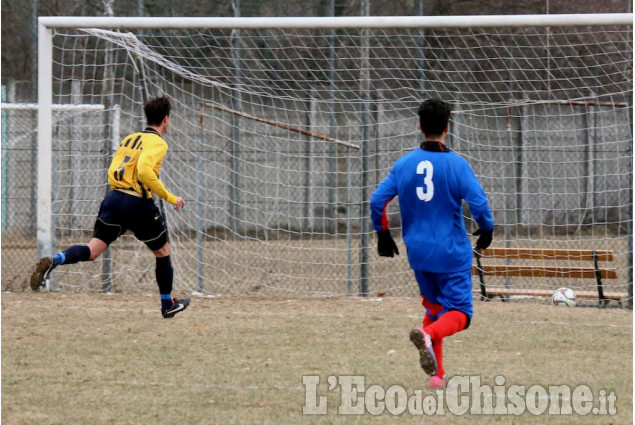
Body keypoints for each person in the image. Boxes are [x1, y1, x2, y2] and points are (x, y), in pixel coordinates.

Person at [30, 95, 191, 319]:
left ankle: (55, 260)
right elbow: (144, 171)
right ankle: (167, 305)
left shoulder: (130, 139)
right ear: (166, 119)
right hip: (137, 202)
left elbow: (114, 167)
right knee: (163, 252)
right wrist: (170, 197)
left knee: (93, 250)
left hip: (113, 198)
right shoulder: (158, 143)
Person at [370, 99, 494, 389]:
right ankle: (426, 336)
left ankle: (438, 378)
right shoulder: (456, 164)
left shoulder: (404, 163)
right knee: (461, 314)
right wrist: (486, 228)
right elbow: (478, 201)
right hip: (450, 252)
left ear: (420, 126)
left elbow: (377, 201)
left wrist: (383, 233)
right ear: (447, 127)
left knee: (435, 310)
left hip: (419, 253)